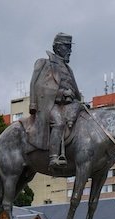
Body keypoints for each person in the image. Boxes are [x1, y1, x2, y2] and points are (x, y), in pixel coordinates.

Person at [29, 32, 83, 168]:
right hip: (50, 104)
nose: (70, 51)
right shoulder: (45, 63)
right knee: (58, 122)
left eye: (70, 47)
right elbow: (40, 86)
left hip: (69, 105)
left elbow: (75, 91)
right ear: (58, 47)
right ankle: (53, 157)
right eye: (67, 47)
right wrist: (62, 93)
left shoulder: (68, 69)